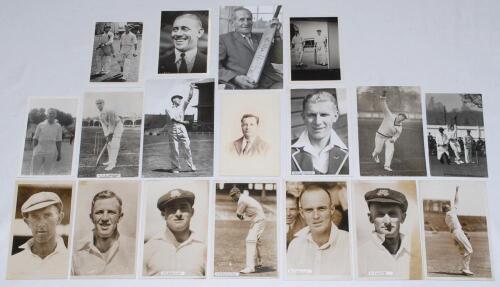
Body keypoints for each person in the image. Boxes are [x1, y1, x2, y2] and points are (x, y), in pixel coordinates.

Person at [287, 185, 351, 276]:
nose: (316, 216)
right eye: (309, 210)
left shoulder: (350, 243)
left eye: (321, 208)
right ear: (302, 213)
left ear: (332, 209)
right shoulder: (295, 245)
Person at [143, 189, 206, 277]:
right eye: (172, 209)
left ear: (192, 212)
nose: (178, 213)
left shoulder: (204, 248)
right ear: (163, 215)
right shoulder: (148, 248)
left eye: (183, 207)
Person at [72, 190, 136, 276]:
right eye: (99, 212)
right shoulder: (74, 251)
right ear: (91, 217)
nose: (105, 218)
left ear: (120, 217)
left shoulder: (135, 248)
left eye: (111, 212)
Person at [8, 192, 68, 279]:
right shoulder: (13, 263)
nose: (41, 224)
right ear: (27, 222)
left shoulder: (72, 261)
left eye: (47, 215)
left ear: (59, 218)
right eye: (35, 216)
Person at [219, 7, 283, 89]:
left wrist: (277, 34)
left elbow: (279, 59)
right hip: (244, 85)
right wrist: (235, 78)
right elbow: (216, 68)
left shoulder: (262, 37)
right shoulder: (224, 39)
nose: (246, 23)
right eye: (241, 19)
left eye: (249, 19)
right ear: (233, 23)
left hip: (271, 81)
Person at [358, 188, 413, 279]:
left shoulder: (414, 251)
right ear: (371, 218)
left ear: (403, 217)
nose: (387, 221)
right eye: (380, 214)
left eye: (392, 214)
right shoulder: (360, 255)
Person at [291, 91, 348, 175]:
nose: (318, 122)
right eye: (311, 115)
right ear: (303, 117)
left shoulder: (349, 150)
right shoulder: (288, 151)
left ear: (335, 116)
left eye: (324, 115)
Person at [229, 186, 266, 274]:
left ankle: (250, 267)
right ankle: (259, 263)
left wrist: (241, 216)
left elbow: (238, 214)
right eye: (232, 196)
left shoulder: (242, 200)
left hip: (258, 220)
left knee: (250, 241)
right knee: (255, 242)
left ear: (238, 193)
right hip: (259, 219)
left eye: (234, 195)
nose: (233, 198)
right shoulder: (244, 198)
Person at [163, 84, 196, 173]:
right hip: (172, 129)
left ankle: (191, 165)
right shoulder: (168, 108)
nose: (181, 100)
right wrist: (184, 122)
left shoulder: (182, 107)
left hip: (182, 129)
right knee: (174, 149)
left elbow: (189, 97)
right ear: (173, 99)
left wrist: (191, 89)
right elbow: (173, 119)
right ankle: (175, 167)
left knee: (187, 147)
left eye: (181, 98)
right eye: (179, 98)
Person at [371, 91, 408, 172]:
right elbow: (384, 106)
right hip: (380, 136)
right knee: (378, 150)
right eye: (401, 116)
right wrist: (383, 96)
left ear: (403, 120)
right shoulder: (389, 116)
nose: (401, 118)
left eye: (403, 118)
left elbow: (397, 135)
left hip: (389, 138)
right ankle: (375, 155)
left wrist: (393, 139)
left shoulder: (400, 127)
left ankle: (387, 166)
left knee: (391, 150)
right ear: (398, 115)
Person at [442, 186, 474, 276]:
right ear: (446, 209)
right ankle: (465, 269)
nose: (450, 207)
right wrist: (456, 191)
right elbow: (456, 201)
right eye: (448, 207)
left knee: (464, 251)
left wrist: (462, 232)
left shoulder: (446, 217)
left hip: (455, 233)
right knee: (469, 250)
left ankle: (464, 268)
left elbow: (454, 226)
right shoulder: (451, 213)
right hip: (457, 232)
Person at [31, 108, 62, 175]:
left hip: (51, 151)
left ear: (55, 115)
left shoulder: (58, 126)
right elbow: (35, 138)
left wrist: (59, 153)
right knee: (34, 171)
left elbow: (59, 141)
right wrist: (34, 150)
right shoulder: (40, 125)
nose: (51, 115)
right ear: (47, 115)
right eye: (50, 113)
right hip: (39, 149)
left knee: (47, 172)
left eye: (53, 113)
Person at [96, 98, 123, 171]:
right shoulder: (100, 114)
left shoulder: (109, 110)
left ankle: (112, 164)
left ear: (103, 103)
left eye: (100, 103)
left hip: (117, 127)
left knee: (114, 145)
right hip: (110, 128)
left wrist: (110, 134)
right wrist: (106, 135)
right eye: (97, 104)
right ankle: (110, 160)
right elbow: (104, 126)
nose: (98, 105)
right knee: (109, 145)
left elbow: (112, 123)